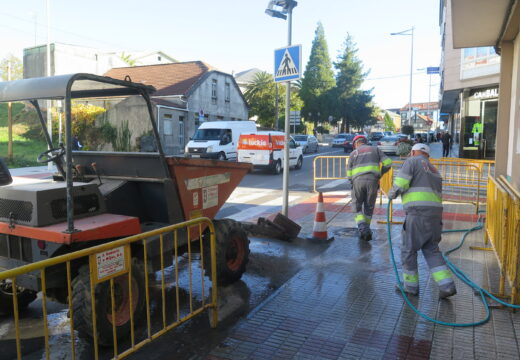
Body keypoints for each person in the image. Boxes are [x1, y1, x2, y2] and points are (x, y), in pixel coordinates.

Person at [388, 143, 457, 299]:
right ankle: (447, 286)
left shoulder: (412, 161)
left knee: (408, 250)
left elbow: (401, 183)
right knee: (432, 250)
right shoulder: (434, 171)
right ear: (428, 154)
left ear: (413, 152)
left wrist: (391, 193)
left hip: (417, 215)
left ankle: (410, 287)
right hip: (435, 217)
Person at [347, 135, 392, 241]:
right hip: (373, 181)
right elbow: (388, 163)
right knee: (369, 207)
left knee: (356, 207)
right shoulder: (375, 149)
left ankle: (363, 229)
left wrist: (352, 183)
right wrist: (380, 174)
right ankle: (366, 230)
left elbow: (349, 174)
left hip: (358, 182)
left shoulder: (353, 153)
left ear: (356, 143)